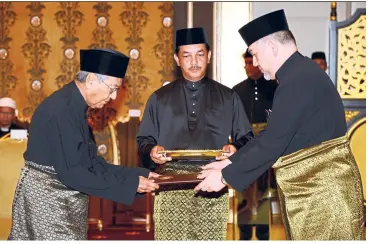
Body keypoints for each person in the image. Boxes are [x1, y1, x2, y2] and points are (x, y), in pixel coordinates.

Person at [195, 9, 364, 240]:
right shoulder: (298, 74)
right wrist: (229, 162)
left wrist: (225, 177)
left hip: (326, 199)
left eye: (255, 54)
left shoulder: (298, 80)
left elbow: (273, 143)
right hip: (317, 194)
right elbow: (272, 134)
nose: (254, 62)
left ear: (273, 47)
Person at [8, 48, 160, 240]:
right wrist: (130, 184)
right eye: (112, 88)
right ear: (91, 81)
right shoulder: (61, 109)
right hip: (47, 204)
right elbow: (74, 173)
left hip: (63, 203)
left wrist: (138, 174)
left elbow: (90, 163)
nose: (114, 97)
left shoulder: (75, 106)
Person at [137, 27, 253, 240]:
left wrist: (234, 148)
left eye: (200, 54)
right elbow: (144, 140)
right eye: (186, 55)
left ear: (208, 56)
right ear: (176, 58)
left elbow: (247, 137)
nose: (194, 61)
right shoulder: (159, 98)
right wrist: (152, 150)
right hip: (171, 182)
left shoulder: (228, 96)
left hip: (212, 179)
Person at [232, 48, 278, 240]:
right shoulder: (237, 91)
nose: (248, 67)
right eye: (246, 63)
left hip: (266, 149)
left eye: (251, 63)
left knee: (264, 193)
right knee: (244, 193)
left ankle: (262, 233)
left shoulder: (274, 88)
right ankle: (244, 234)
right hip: (243, 149)